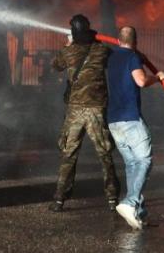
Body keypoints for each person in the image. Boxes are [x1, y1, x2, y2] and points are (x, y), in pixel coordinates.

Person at [48, 14, 120, 212]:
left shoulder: (68, 52)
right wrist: (94, 40)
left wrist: (69, 45)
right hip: (96, 109)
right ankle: (112, 198)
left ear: (73, 33)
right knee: (104, 154)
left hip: (75, 111)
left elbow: (54, 66)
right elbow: (109, 56)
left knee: (69, 154)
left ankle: (59, 199)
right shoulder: (101, 50)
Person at [107, 26, 164, 230]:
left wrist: (137, 56)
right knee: (145, 160)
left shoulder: (111, 56)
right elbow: (141, 81)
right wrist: (157, 78)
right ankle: (130, 202)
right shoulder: (132, 57)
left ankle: (138, 212)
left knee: (132, 164)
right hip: (130, 118)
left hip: (113, 121)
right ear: (136, 41)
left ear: (117, 40)